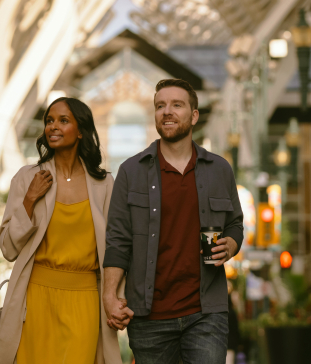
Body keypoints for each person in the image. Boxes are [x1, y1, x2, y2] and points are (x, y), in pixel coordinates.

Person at [103, 79, 245, 364]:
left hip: (206, 312)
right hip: (149, 317)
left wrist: (231, 244)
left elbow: (235, 224)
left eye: (176, 105)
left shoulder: (219, 169)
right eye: (160, 106)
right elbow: (118, 240)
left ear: (194, 116)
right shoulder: (131, 171)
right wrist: (109, 295)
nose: (167, 111)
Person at [0, 97, 123, 364]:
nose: (53, 126)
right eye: (49, 120)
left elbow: (116, 249)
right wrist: (29, 200)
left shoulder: (104, 184)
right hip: (36, 300)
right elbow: (7, 247)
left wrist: (117, 298)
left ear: (81, 130)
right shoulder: (27, 178)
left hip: (85, 301)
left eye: (64, 120)